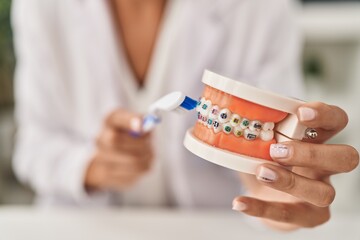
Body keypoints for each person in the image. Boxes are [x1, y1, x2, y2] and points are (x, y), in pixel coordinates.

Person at [12, 0, 358, 231]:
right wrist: (90, 167)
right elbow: (32, 145)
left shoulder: (261, 7)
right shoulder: (42, 6)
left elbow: (275, 138)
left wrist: (277, 183)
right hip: (82, 228)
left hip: (215, 229)